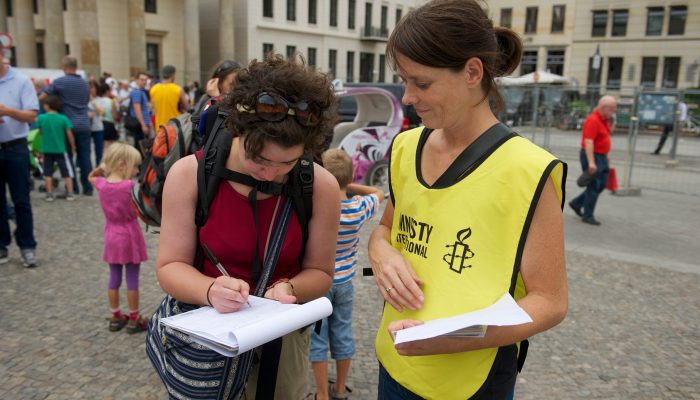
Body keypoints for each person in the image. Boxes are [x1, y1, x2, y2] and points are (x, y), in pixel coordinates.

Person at [366, 1, 568, 399]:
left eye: (421, 83)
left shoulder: (526, 170)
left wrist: (451, 338)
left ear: (473, 72)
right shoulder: (406, 147)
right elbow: (388, 228)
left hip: (470, 381)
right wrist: (381, 253)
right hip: (395, 361)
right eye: (404, 80)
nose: (407, 96)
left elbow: (550, 301)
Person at [147, 55, 341, 399]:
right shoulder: (190, 175)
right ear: (237, 129)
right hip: (207, 336)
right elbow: (169, 267)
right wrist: (210, 290)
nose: (271, 174)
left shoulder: (320, 186)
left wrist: (290, 289)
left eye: (288, 163)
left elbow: (321, 273)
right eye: (260, 160)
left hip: (281, 341)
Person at [310, 149, 384, 400]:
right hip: (345, 284)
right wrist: (350, 184)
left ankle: (321, 394)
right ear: (351, 174)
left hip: (318, 285)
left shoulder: (315, 208)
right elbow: (379, 193)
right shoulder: (358, 208)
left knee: (317, 338)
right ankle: (340, 389)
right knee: (342, 333)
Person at [88, 143, 149, 333]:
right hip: (130, 235)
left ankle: (115, 316)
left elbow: (92, 176)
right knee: (132, 279)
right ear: (123, 165)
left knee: (113, 277)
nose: (137, 170)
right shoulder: (129, 186)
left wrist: (103, 167)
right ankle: (134, 318)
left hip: (111, 236)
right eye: (135, 166)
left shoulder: (101, 184)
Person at [0, 60, 40, 268]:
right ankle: (1, 244)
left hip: (16, 146)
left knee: (21, 200)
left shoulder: (20, 81)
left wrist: (7, 111)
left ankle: (27, 246)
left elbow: (32, 115)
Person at [40, 56, 92, 196]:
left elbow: (42, 97)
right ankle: (88, 188)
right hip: (84, 124)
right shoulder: (85, 84)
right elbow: (86, 101)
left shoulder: (59, 82)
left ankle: (73, 188)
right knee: (85, 157)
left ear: (64, 67)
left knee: (68, 158)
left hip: (67, 124)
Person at [569, 95, 617, 226]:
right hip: (592, 155)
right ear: (603, 107)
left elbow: (604, 137)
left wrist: (606, 155)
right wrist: (591, 162)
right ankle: (588, 215)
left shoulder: (604, 120)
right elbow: (588, 141)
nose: (614, 111)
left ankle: (577, 203)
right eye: (612, 109)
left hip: (601, 155)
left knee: (601, 184)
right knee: (594, 185)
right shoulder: (593, 120)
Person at [36, 95, 77, 202]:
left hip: (46, 149)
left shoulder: (41, 118)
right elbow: (69, 134)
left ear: (48, 106)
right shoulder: (63, 118)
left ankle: (49, 194)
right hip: (60, 149)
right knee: (66, 172)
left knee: (47, 172)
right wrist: (73, 147)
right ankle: (70, 193)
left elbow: (39, 132)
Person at [193, 59, 243, 133]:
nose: (237, 88)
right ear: (217, 83)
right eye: (232, 84)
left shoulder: (242, 103)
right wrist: (216, 99)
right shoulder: (207, 101)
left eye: (240, 83)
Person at [149, 65, 188, 129]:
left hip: (160, 126)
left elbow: (152, 108)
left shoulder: (154, 89)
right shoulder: (178, 89)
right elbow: (186, 107)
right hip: (174, 126)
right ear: (173, 75)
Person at [126, 72, 151, 154]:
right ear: (137, 80)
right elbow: (137, 110)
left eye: (145, 80)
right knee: (140, 149)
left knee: (142, 148)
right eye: (142, 80)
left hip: (142, 124)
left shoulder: (141, 91)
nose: (144, 82)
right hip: (139, 125)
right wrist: (143, 125)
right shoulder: (137, 92)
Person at [95, 83, 120, 149]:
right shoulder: (111, 101)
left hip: (99, 124)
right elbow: (115, 116)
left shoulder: (97, 101)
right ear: (107, 91)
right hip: (109, 124)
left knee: (102, 145)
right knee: (111, 146)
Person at [88, 79, 105, 166]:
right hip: (87, 128)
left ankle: (98, 166)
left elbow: (101, 113)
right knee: (87, 150)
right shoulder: (84, 100)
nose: (90, 90)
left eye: (92, 88)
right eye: (89, 88)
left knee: (99, 150)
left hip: (98, 127)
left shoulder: (100, 100)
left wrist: (93, 102)